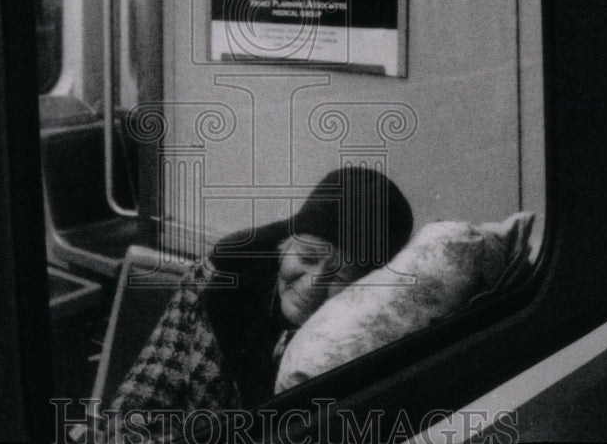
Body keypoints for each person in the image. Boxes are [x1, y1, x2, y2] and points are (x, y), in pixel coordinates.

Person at [108, 167, 413, 440]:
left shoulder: (364, 342)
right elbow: (136, 409)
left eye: (342, 276)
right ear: (284, 245)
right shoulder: (216, 279)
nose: (313, 284)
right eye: (307, 257)